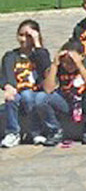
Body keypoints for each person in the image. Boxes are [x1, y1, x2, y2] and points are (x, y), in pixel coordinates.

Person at [37, 40, 86, 146]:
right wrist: (55, 65)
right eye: (65, 62)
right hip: (67, 102)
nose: (68, 66)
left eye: (71, 62)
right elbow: (47, 89)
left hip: (85, 102)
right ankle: (55, 130)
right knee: (41, 98)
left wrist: (80, 66)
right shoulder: (59, 66)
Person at [1, 20, 50, 148]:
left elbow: (46, 70)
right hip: (17, 91)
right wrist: (8, 87)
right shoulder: (11, 56)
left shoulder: (39, 54)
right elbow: (6, 75)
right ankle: (12, 133)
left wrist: (37, 42)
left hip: (35, 92)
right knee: (11, 98)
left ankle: (36, 132)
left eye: (28, 36)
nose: (23, 39)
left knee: (28, 95)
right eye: (21, 35)